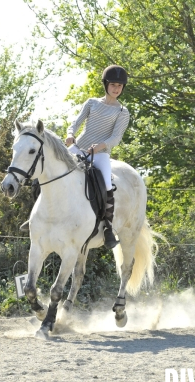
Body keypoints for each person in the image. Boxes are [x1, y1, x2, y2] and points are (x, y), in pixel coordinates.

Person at [65, 65, 131, 249]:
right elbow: (76, 122)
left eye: (119, 85)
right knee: (55, 169)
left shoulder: (122, 112)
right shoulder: (92, 103)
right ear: (106, 85)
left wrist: (99, 147)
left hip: (100, 154)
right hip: (79, 149)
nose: (116, 88)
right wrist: (70, 134)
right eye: (113, 84)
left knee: (108, 185)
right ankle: (35, 215)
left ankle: (108, 227)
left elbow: (115, 137)